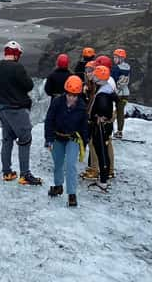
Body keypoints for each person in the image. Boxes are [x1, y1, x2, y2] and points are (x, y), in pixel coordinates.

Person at [0, 40, 42, 185]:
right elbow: (29, 85)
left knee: (7, 140)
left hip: (2, 108)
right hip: (16, 109)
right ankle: (25, 174)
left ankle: (7, 172)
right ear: (16, 54)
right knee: (25, 139)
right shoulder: (17, 68)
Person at [44, 75, 89, 207]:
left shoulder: (81, 106)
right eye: (70, 95)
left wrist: (84, 143)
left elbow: (84, 127)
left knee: (70, 165)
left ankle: (72, 194)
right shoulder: (57, 102)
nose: (72, 98)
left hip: (72, 138)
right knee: (58, 164)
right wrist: (49, 139)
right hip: (57, 137)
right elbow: (49, 120)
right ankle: (58, 186)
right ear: (66, 93)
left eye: (74, 95)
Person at [87, 64, 117, 191]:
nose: (93, 76)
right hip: (105, 126)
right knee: (103, 149)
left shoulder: (102, 94)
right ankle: (105, 177)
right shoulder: (108, 89)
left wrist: (97, 117)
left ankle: (103, 180)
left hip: (100, 126)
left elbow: (102, 109)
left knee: (101, 151)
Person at [112, 48, 132, 139]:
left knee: (112, 110)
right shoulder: (128, 67)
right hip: (126, 93)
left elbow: (113, 80)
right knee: (120, 112)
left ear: (120, 58)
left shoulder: (116, 68)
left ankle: (108, 128)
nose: (114, 59)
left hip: (117, 93)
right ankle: (120, 131)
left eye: (115, 57)